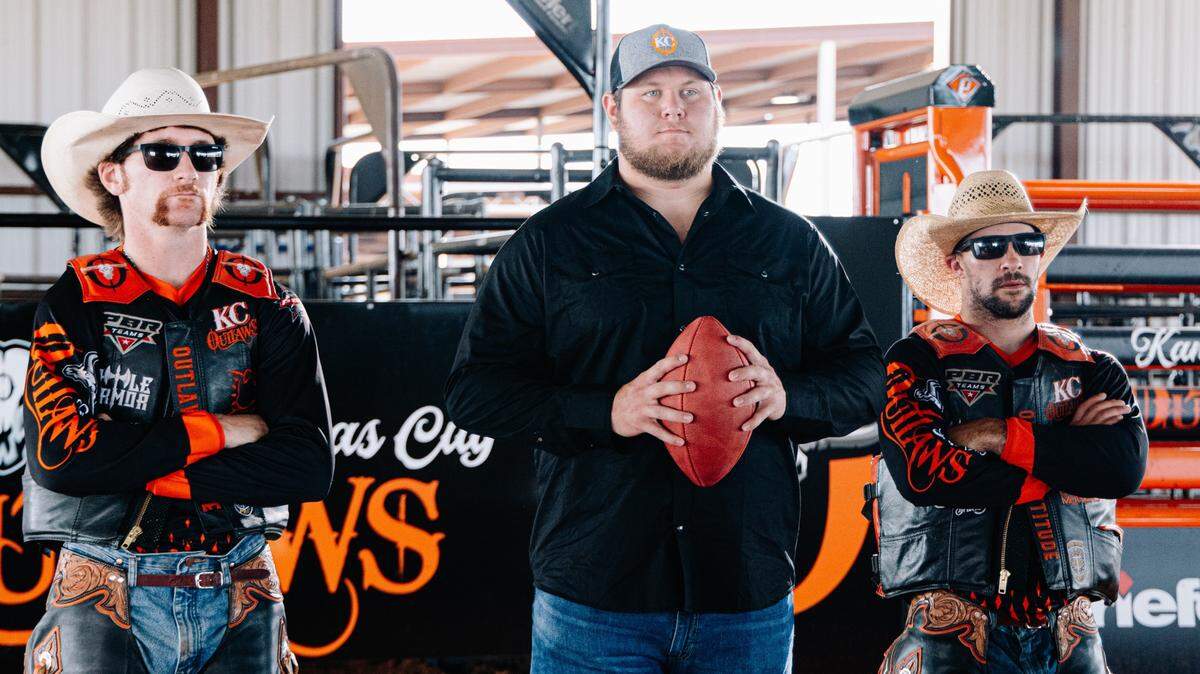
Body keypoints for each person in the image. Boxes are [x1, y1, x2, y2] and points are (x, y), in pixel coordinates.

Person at [445, 24, 883, 673]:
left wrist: (790, 397)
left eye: (690, 90)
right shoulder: (550, 242)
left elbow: (870, 375)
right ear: (613, 109)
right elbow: (474, 392)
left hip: (744, 593)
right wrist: (607, 411)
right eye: (649, 93)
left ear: (719, 104)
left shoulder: (789, 242)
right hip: (595, 597)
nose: (672, 106)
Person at [24, 67, 333, 673]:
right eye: (163, 153)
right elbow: (61, 458)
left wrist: (152, 471)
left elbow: (309, 463)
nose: (188, 170)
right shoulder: (76, 302)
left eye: (205, 153)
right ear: (114, 175)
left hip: (242, 580)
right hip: (104, 582)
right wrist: (224, 431)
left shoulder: (269, 301)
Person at [872, 170, 1148, 673]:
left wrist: (994, 436)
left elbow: (1123, 470)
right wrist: (1068, 455)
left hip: (1072, 635)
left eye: (1026, 242)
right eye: (991, 246)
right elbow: (922, 472)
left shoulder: (1094, 369)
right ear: (955, 263)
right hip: (951, 632)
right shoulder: (916, 360)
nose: (1012, 258)